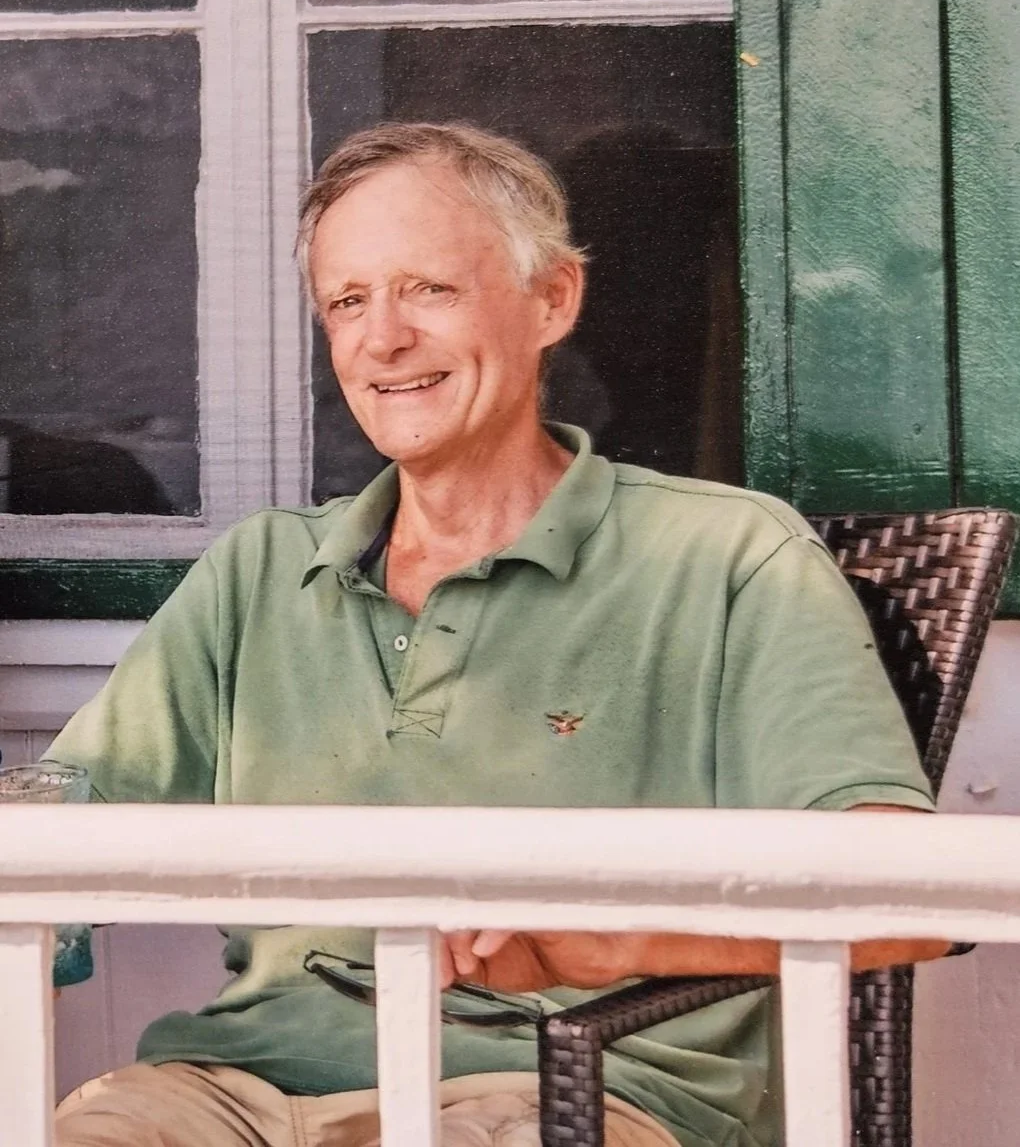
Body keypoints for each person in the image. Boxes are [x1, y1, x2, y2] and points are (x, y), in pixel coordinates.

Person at [48, 122, 945, 1147]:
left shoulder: (729, 558)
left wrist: (602, 943)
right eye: (348, 301)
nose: (381, 339)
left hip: (559, 1095)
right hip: (230, 1095)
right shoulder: (260, 571)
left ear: (552, 300)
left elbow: (903, 898)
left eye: (427, 288)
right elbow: (63, 823)